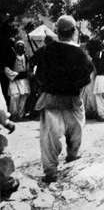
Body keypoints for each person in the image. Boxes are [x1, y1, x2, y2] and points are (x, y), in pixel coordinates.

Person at [35, 15, 93, 183]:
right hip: (72, 100)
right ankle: (72, 156)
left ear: (57, 32)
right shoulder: (81, 53)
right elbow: (86, 77)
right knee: (76, 131)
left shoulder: (47, 50)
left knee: (49, 138)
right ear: (74, 31)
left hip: (50, 99)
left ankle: (51, 171)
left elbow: (38, 74)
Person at [4, 41, 31, 121]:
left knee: (24, 97)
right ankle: (13, 114)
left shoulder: (26, 57)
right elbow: (6, 69)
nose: (20, 48)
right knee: (14, 96)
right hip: (14, 80)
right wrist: (15, 75)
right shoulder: (11, 56)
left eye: (22, 46)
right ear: (16, 48)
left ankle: (21, 115)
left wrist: (28, 74)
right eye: (19, 46)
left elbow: (28, 69)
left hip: (24, 81)